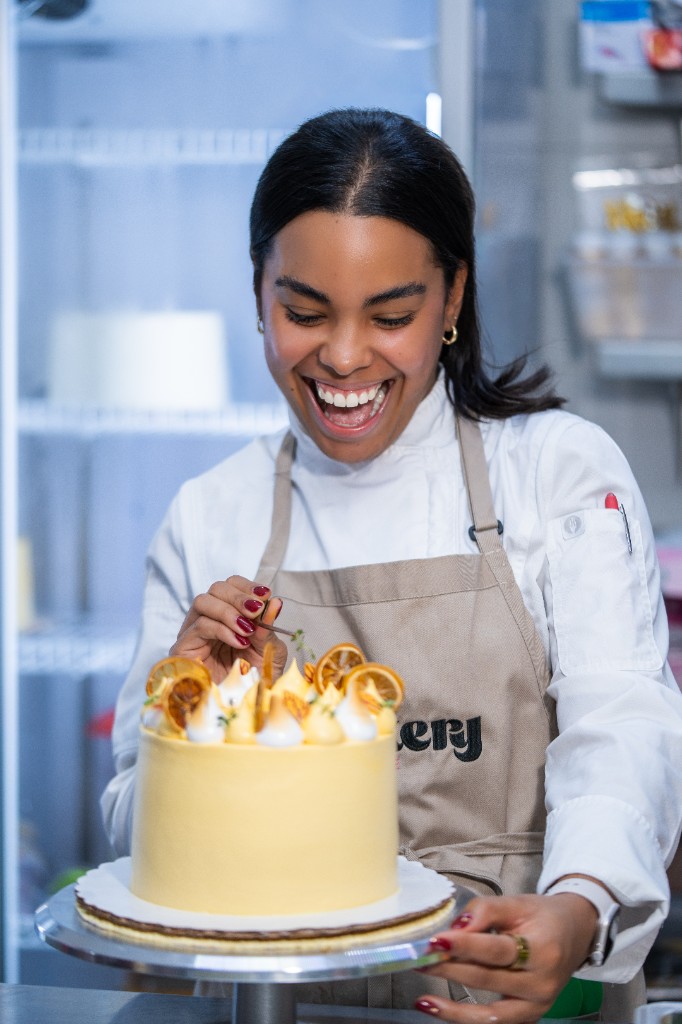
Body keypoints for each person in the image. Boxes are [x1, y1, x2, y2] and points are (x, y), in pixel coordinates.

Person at [101, 107, 682, 1022]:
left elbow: (623, 726)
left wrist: (577, 906)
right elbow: (138, 832)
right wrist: (192, 714)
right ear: (258, 293)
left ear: (451, 300)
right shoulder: (213, 515)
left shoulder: (555, 474)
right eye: (302, 311)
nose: (340, 357)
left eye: (392, 315)